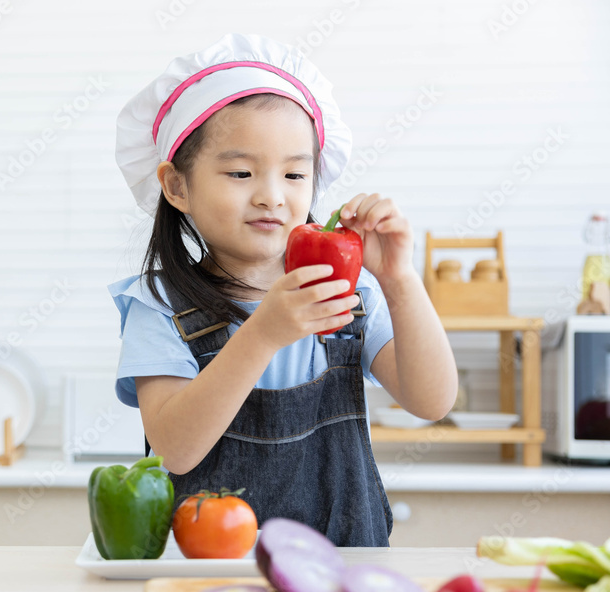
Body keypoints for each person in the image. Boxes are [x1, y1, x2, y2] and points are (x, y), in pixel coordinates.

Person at [108, 33, 458, 547]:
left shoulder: (347, 291)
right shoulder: (159, 308)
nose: (272, 195)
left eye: (295, 173)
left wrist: (399, 279)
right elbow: (175, 451)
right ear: (177, 186)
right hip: (210, 577)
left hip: (341, 569)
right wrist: (262, 334)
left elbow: (433, 401)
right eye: (241, 172)